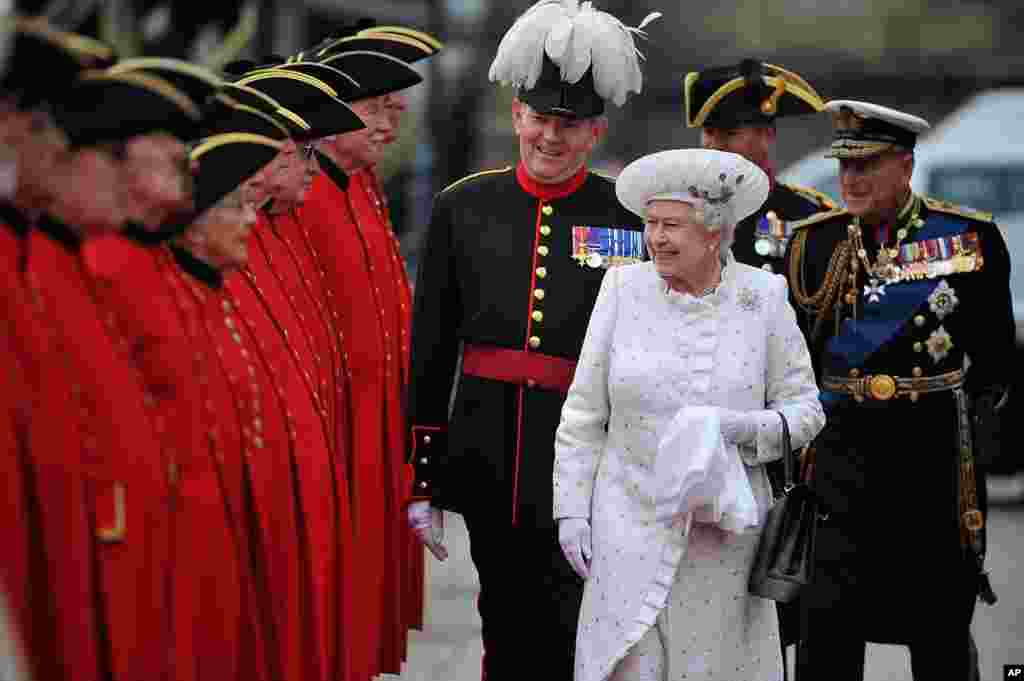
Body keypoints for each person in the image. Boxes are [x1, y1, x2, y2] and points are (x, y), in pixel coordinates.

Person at [406, 2, 659, 678]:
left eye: (569, 124)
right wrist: (422, 475)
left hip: (590, 468)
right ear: (517, 114)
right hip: (489, 458)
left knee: (575, 632)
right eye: (540, 118)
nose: (551, 136)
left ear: (596, 131)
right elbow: (430, 348)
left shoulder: (626, 215)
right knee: (506, 629)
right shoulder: (462, 206)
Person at [552, 148, 825, 681]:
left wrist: (737, 428)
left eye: (671, 225)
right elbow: (583, 412)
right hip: (626, 519)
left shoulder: (763, 297)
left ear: (715, 233)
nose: (655, 238)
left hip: (724, 539)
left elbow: (807, 411)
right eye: (651, 224)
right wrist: (571, 511)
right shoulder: (621, 288)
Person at [783, 100, 1014, 680]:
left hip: (930, 471)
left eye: (868, 166)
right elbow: (795, 363)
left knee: (939, 637)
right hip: (839, 473)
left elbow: (993, 364)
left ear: (906, 167)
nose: (851, 181)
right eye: (845, 168)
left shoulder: (967, 239)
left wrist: (967, 447)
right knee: (827, 641)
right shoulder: (814, 244)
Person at [685, 59, 834, 274]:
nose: (714, 146)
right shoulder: (673, 213)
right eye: (708, 133)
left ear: (767, 135)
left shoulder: (808, 218)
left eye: (730, 134)